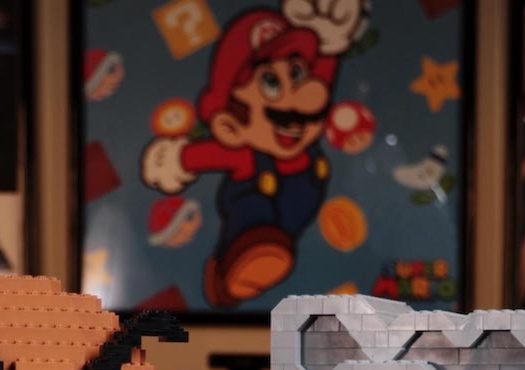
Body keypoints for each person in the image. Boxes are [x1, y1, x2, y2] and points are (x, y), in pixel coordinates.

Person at [141, 0, 364, 306]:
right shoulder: (244, 154)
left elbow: (319, 87)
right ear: (230, 125)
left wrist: (330, 45)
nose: (298, 98)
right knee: (251, 211)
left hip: (295, 227)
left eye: (297, 73)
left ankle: (251, 267)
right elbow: (202, 155)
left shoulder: (306, 114)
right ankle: (237, 267)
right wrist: (179, 159)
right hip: (256, 220)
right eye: (271, 82)